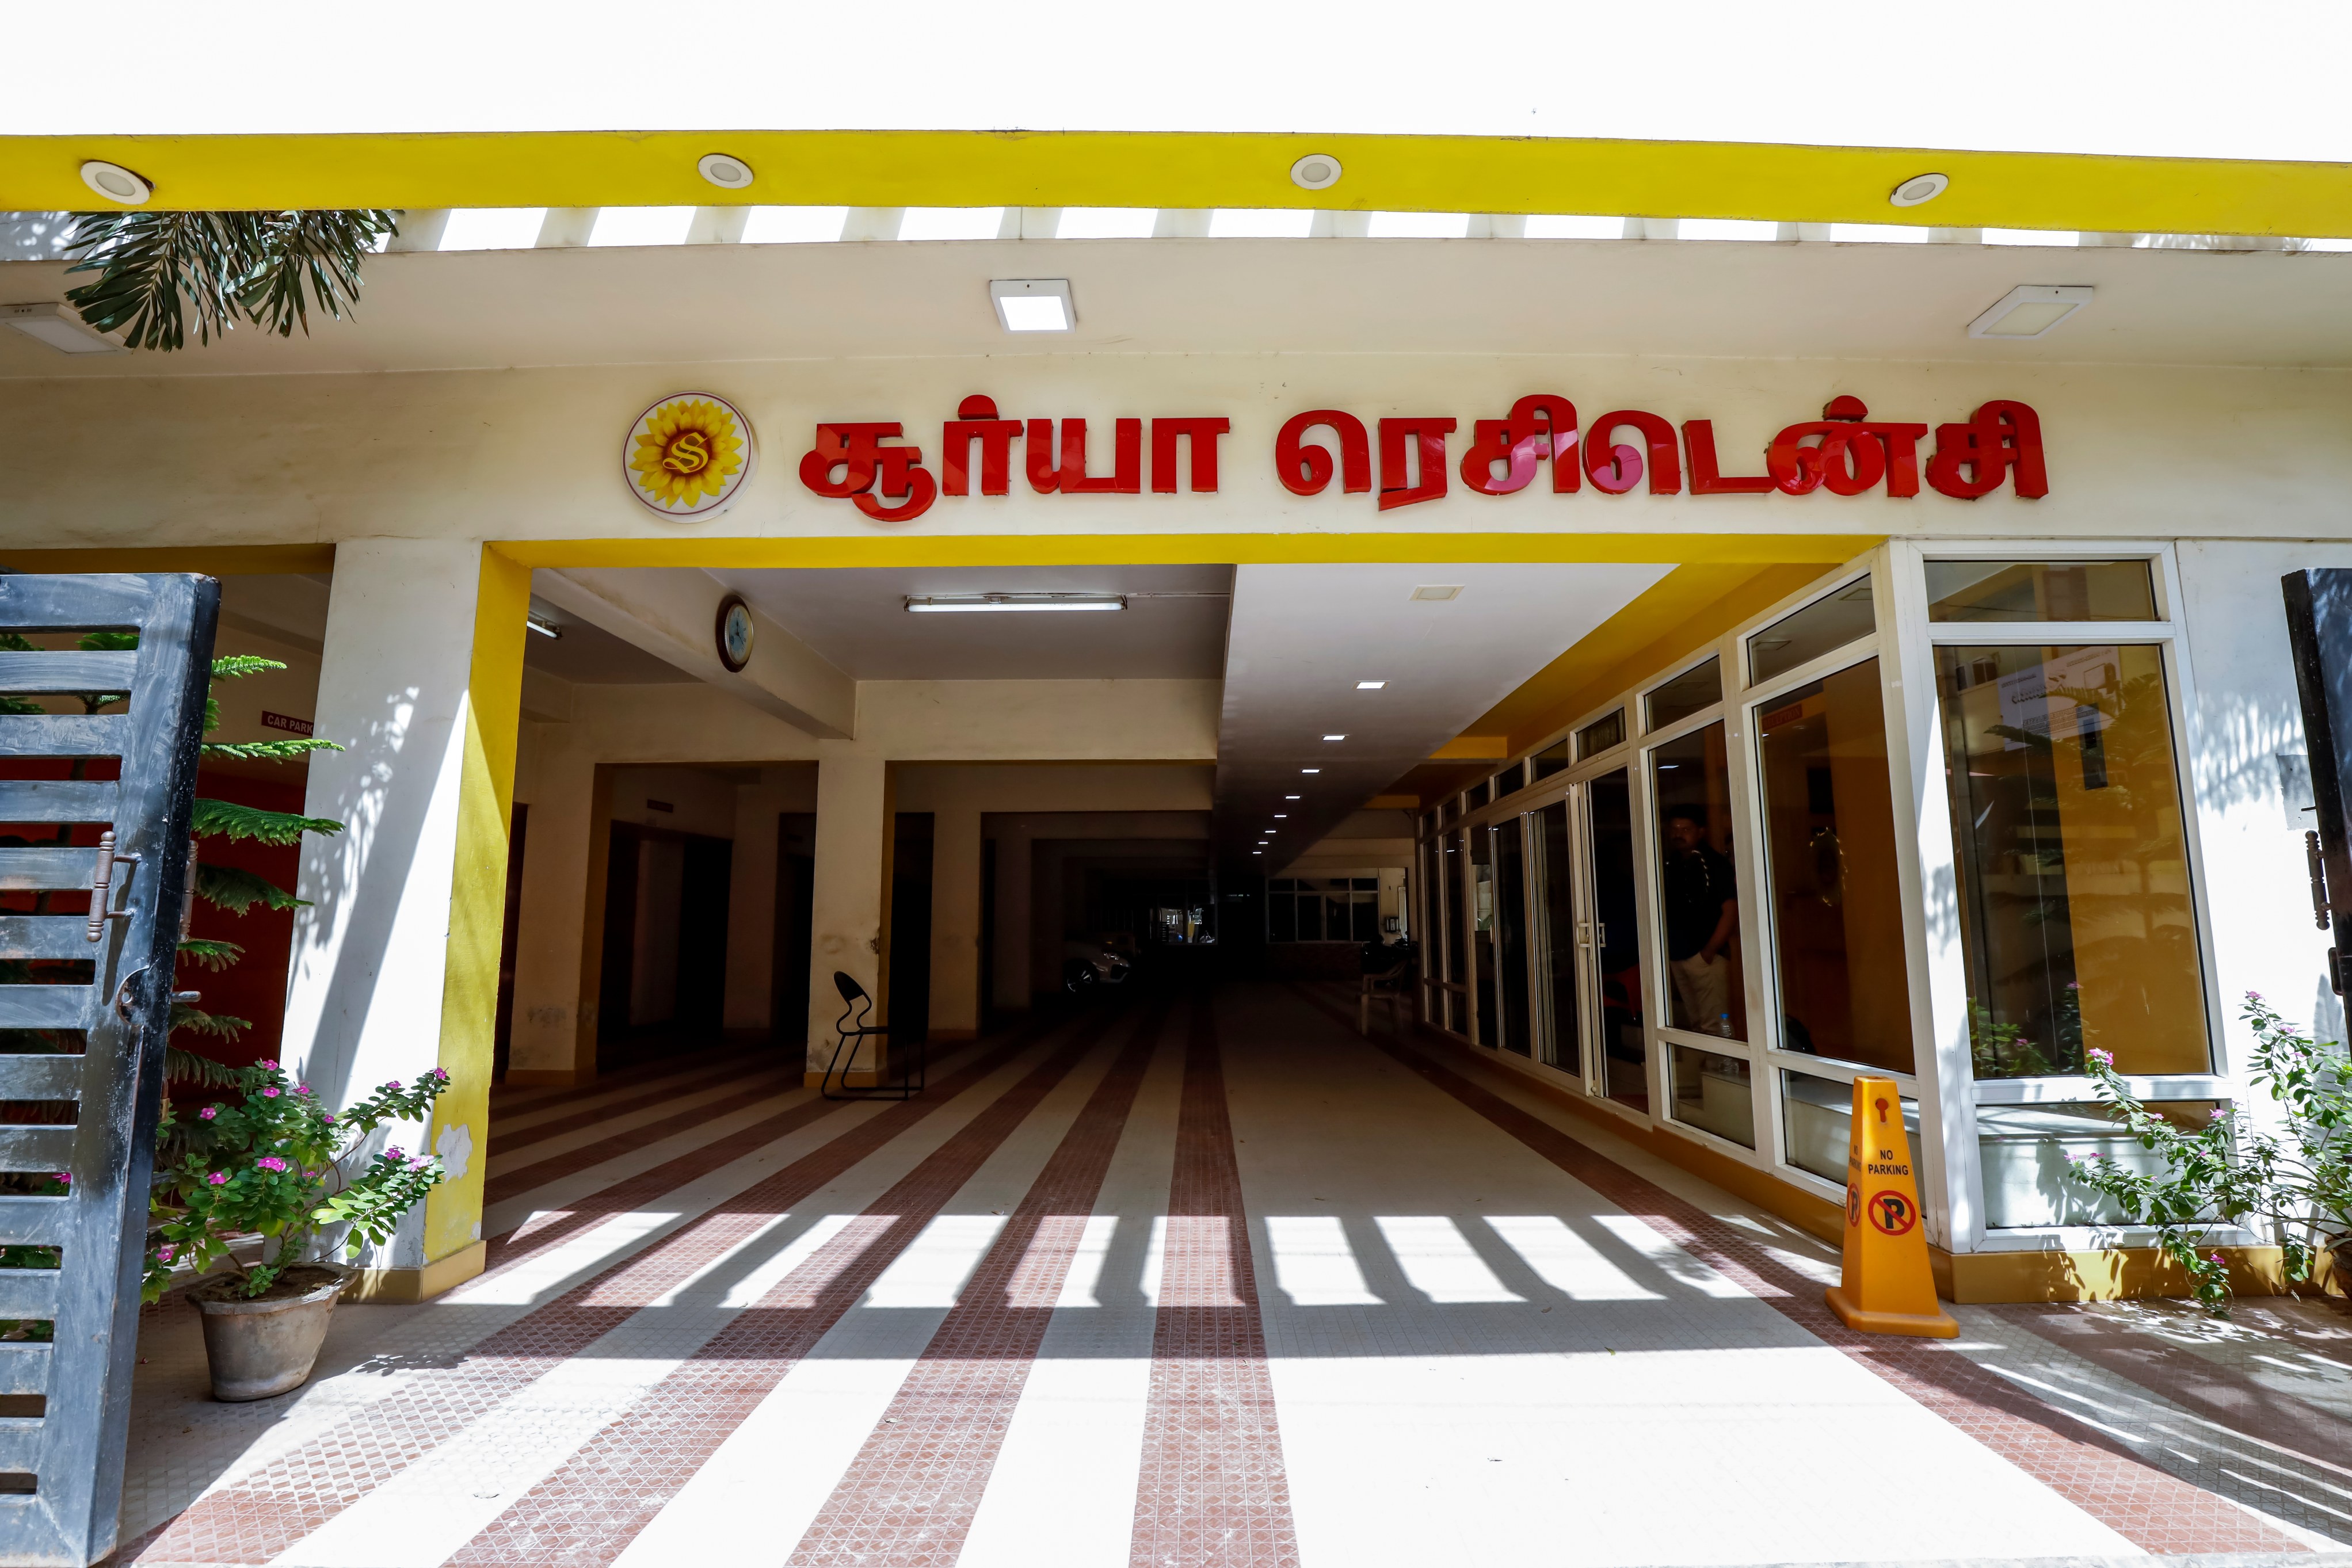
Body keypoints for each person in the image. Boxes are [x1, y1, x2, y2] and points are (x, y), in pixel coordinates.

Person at [1661, 806, 1737, 1036]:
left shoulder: (1714, 864)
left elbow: (1730, 911)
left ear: (1700, 831)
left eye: (1685, 829)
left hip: (1704, 956)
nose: (1678, 834)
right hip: (1678, 954)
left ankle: (1721, 1060)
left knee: (1714, 1025)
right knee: (1696, 1025)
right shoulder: (1671, 864)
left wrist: (1709, 951)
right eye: (1674, 829)